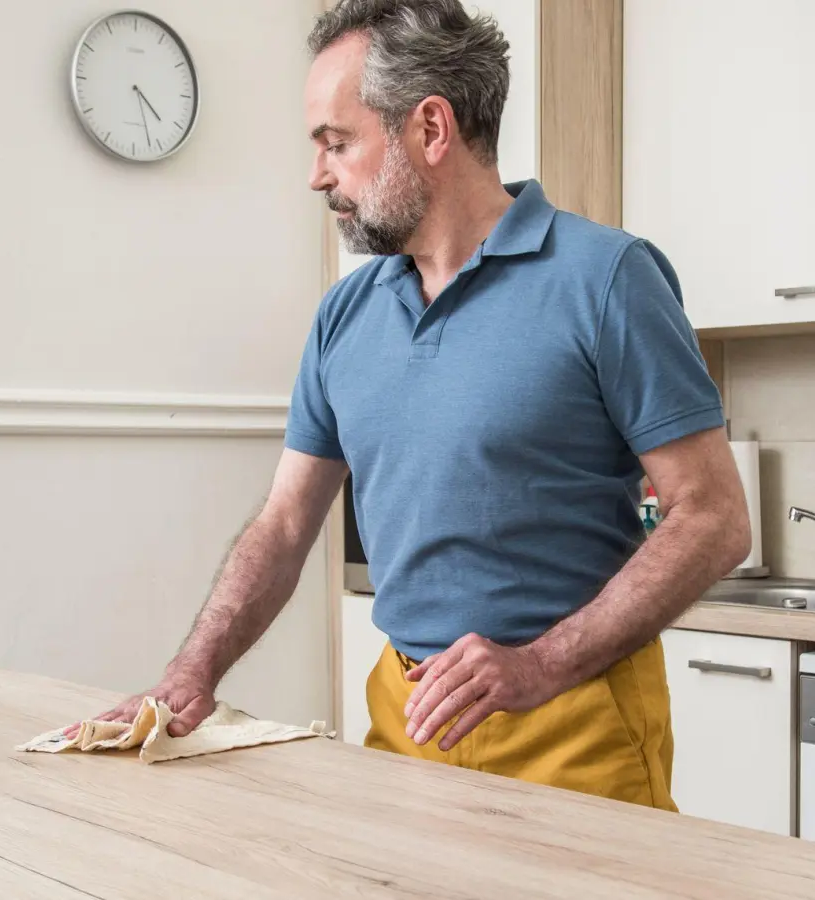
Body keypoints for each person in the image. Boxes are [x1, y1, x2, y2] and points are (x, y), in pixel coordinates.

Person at [85, 0, 751, 811]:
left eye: (337, 142)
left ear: (429, 130)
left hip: (573, 719)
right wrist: (192, 673)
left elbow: (713, 517)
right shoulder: (345, 314)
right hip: (407, 717)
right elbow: (286, 524)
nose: (317, 174)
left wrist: (540, 663)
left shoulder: (607, 279)